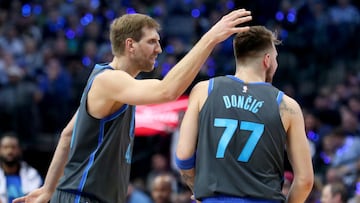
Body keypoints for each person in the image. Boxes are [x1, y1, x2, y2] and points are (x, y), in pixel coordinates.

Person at [13, 9, 252, 203]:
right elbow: (166, 90)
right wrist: (211, 38)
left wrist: (48, 189)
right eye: (152, 42)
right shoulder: (109, 80)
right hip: (82, 196)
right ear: (130, 45)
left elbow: (67, 136)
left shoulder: (120, 85)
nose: (159, 49)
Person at [175, 26, 314, 203]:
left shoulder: (203, 91)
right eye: (276, 59)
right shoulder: (288, 106)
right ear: (267, 60)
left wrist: (199, 189)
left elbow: (183, 155)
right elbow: (305, 181)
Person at [0, 132, 43, 203]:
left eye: (13, 147)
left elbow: (39, 199)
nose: (9, 151)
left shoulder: (32, 174)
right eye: (5, 147)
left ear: (20, 150)